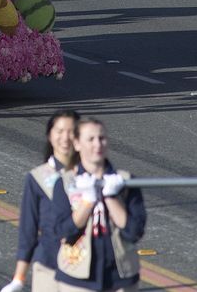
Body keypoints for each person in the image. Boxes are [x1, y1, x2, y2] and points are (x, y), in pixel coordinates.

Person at [51, 117, 145, 291]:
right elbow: (63, 233)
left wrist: (111, 197)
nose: (97, 144)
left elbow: (134, 232)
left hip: (121, 278)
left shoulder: (125, 182)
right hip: (76, 278)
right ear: (77, 144)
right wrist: (87, 200)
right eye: (90, 139)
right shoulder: (65, 183)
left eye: (102, 138)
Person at [0, 110, 79, 292]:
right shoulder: (37, 178)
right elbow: (28, 228)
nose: (65, 138)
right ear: (49, 136)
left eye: (71, 132)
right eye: (59, 131)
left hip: (84, 267)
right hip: (48, 265)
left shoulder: (93, 176)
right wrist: (19, 279)